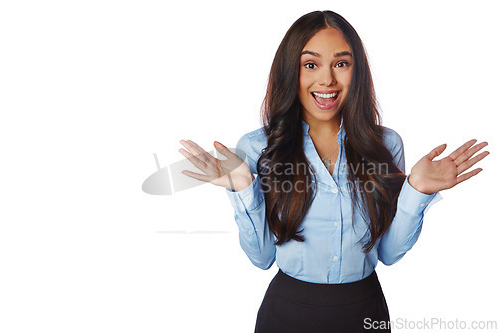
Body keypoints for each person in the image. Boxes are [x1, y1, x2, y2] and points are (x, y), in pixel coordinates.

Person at [178, 10, 489, 333]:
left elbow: (389, 253)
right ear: (291, 71)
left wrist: (417, 189)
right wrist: (242, 186)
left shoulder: (385, 145)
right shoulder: (259, 148)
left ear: (357, 71)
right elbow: (262, 258)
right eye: (310, 65)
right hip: (287, 312)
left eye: (341, 64)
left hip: (365, 310)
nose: (327, 80)